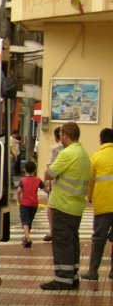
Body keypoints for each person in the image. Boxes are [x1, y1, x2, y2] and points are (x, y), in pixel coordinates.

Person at [40, 122, 91, 290]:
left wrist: (49, 170)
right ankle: (73, 276)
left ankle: (63, 279)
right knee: (72, 242)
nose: (60, 138)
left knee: (62, 242)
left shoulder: (67, 153)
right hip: (76, 205)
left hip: (64, 204)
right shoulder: (83, 153)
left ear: (65, 135)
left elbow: (49, 174)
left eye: (61, 135)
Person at [82, 127, 113, 287]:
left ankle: (93, 271)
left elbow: (90, 181)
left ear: (101, 140)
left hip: (104, 204)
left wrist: (90, 197)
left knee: (99, 238)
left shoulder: (96, 157)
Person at [43, 126, 63, 242]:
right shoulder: (76, 149)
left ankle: (52, 231)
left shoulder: (55, 148)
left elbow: (50, 166)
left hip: (56, 182)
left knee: (51, 208)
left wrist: (47, 182)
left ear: (56, 137)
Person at [17, 160, 43, 248]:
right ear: (35, 170)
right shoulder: (38, 180)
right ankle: (25, 237)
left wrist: (19, 199)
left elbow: (19, 191)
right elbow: (46, 189)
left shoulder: (22, 180)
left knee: (25, 221)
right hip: (34, 204)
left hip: (25, 203)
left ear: (25, 169)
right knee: (29, 221)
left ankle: (28, 238)